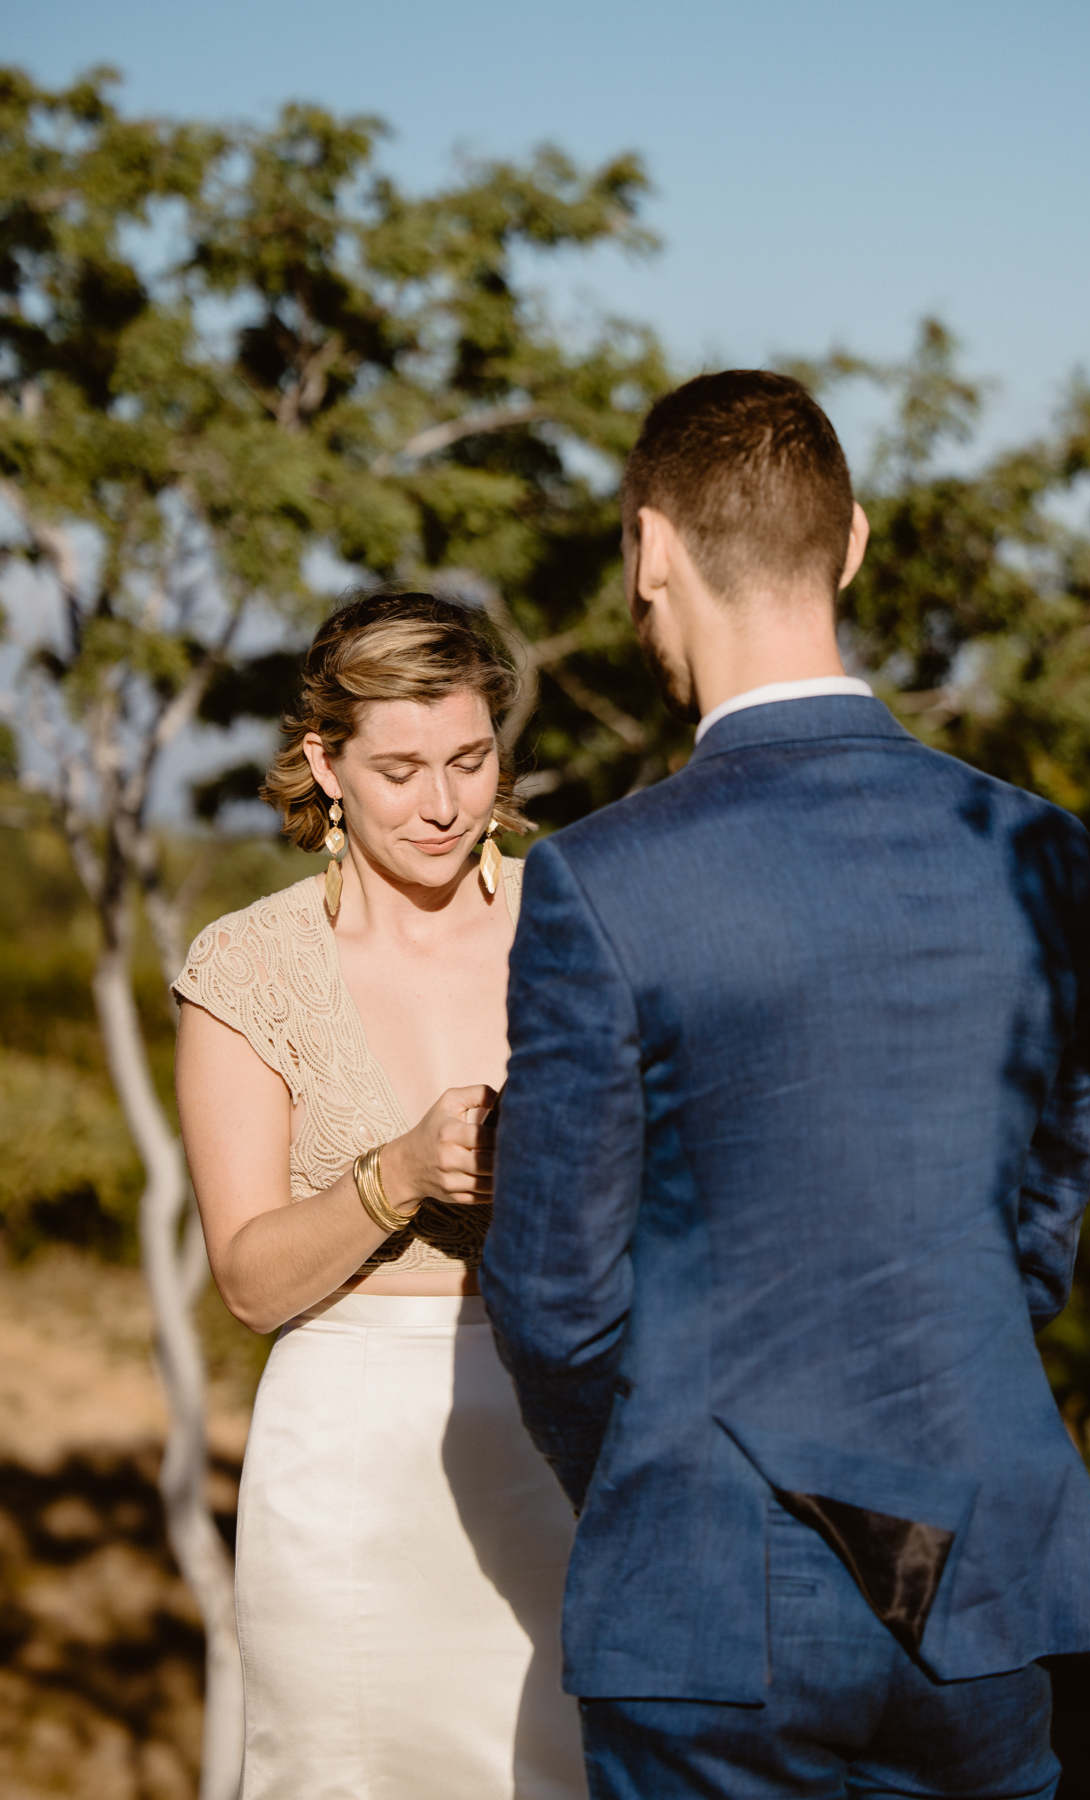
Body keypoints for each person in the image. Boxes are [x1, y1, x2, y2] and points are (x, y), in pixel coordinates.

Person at [480, 369, 1090, 1799]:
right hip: (984, 1555)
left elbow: (557, 1299)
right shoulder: (1041, 848)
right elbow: (1049, 1197)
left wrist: (670, 1483)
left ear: (651, 550)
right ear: (857, 542)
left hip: (716, 1586)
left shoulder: (600, 877)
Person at [171, 593, 583, 1798]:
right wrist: (396, 1174)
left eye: (468, 758)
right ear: (325, 764)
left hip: (567, 1446)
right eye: (399, 769)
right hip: (348, 1476)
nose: (444, 803)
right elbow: (248, 1282)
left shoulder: (582, 920)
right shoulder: (249, 965)